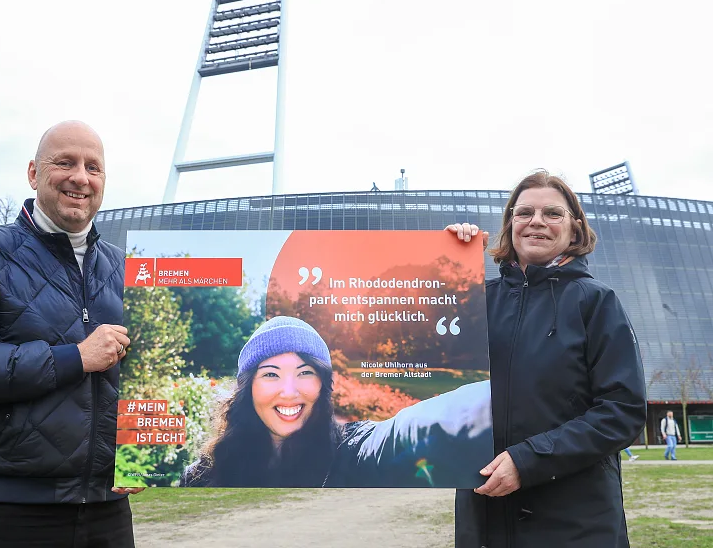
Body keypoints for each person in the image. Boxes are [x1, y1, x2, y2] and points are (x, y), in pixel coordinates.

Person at [0, 121, 140, 548]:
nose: (81, 176)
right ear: (34, 174)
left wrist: (144, 458)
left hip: (107, 510)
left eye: (93, 167)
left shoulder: (131, 270)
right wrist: (75, 357)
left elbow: (148, 379)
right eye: (65, 162)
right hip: (3, 510)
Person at [446, 170, 647, 548]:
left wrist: (528, 461)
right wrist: (448, 268)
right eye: (524, 213)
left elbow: (623, 410)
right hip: (484, 519)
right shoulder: (474, 300)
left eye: (552, 213)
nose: (536, 221)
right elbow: (423, 370)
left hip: (574, 522)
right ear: (510, 226)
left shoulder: (596, 302)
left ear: (574, 228)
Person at [180, 316, 493, 488]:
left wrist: (489, 408)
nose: (289, 392)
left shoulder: (352, 453)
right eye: (271, 375)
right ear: (248, 388)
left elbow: (414, 432)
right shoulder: (203, 476)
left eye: (305, 372)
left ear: (323, 385)